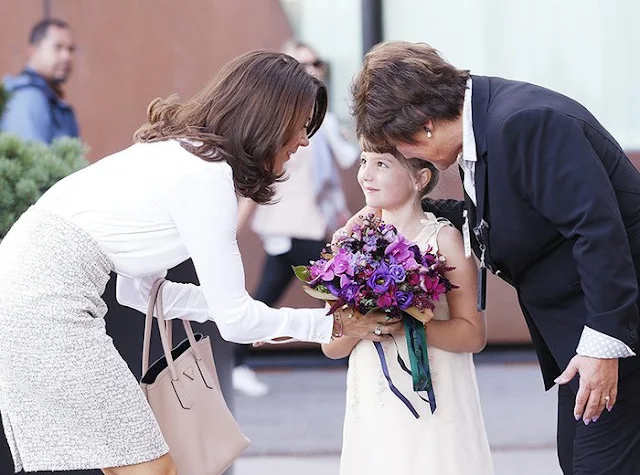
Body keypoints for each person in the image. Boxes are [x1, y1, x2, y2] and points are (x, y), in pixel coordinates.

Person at [0, 50, 402, 475]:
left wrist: (235, 305)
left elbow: (139, 292)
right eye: (301, 125)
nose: (304, 141)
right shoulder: (205, 175)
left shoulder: (186, 157)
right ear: (266, 118)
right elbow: (235, 323)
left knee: (128, 464)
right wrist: (330, 325)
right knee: (150, 467)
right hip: (42, 306)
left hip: (25, 293)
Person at [350, 40, 640, 475]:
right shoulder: (486, 121)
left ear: (424, 127)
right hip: (585, 333)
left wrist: (604, 348)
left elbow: (596, 230)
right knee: (580, 458)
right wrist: (408, 215)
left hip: (615, 329)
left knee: (596, 465)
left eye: (402, 149)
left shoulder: (525, 123)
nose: (411, 161)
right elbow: (504, 204)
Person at [322, 144, 493, 474]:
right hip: (375, 405)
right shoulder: (349, 243)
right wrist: (364, 321)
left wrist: (406, 323)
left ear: (420, 178)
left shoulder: (444, 241)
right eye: (363, 161)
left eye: (382, 164)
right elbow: (331, 346)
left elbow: (473, 335)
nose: (366, 174)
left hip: (435, 402)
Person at [234, 40, 358, 397]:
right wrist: (234, 228)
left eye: (316, 63)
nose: (312, 69)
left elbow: (336, 167)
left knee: (276, 292)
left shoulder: (321, 120)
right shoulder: (277, 121)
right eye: (302, 64)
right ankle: (357, 351)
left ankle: (237, 357)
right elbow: (259, 177)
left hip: (310, 223)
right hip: (285, 224)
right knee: (336, 286)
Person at [0, 18, 79, 143]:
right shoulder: (27, 97)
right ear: (33, 50)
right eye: (57, 47)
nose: (66, 57)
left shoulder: (51, 98)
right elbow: (30, 160)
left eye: (70, 50)